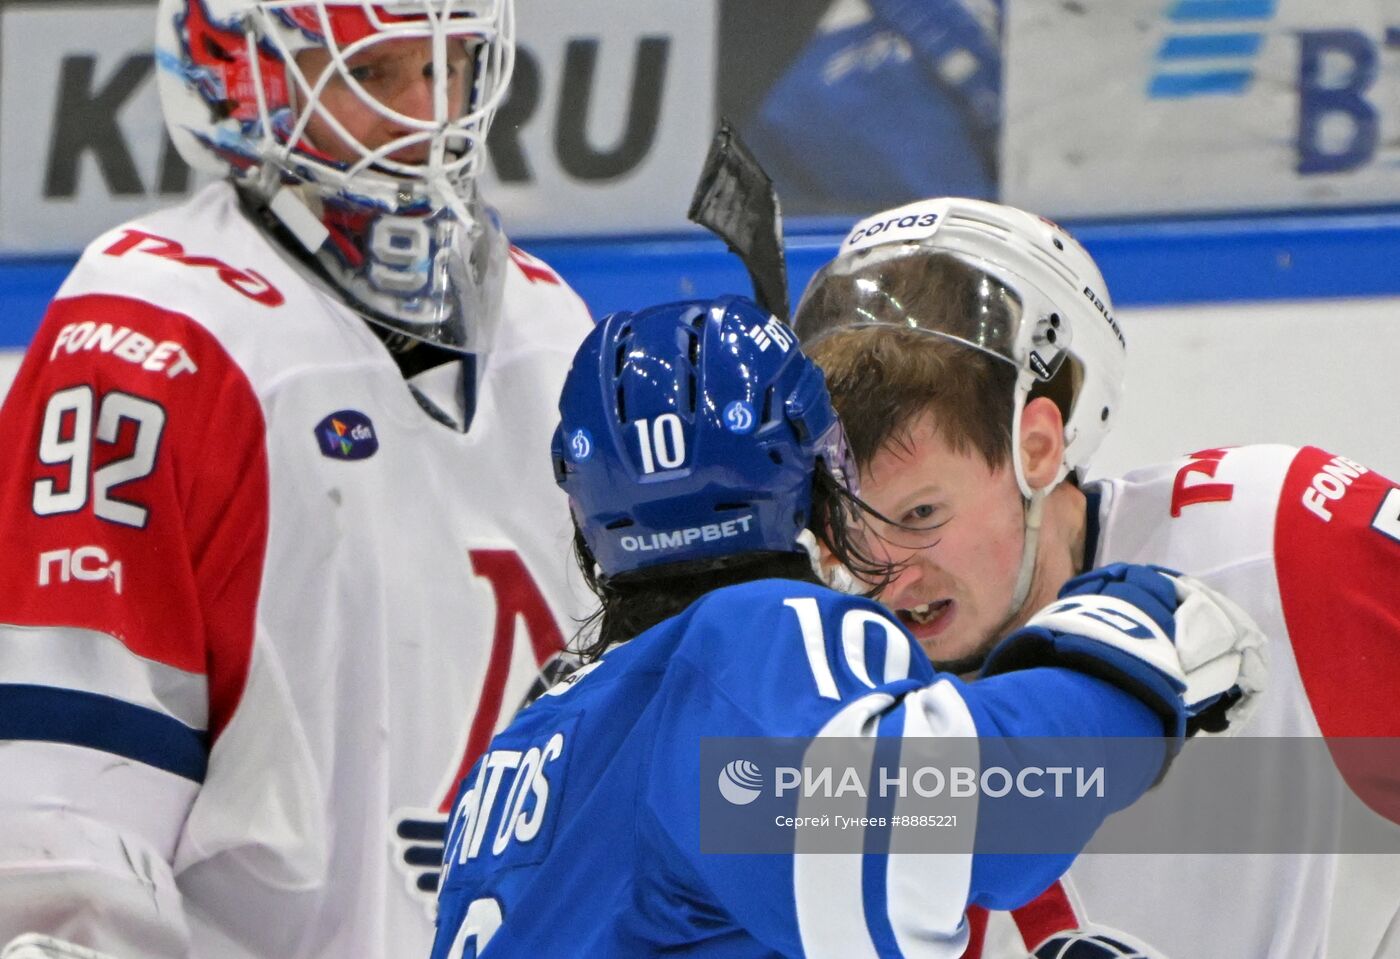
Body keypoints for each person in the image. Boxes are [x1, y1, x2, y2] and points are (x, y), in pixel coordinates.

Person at [0, 1, 592, 956]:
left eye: (452, 65)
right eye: (378, 70)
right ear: (245, 74)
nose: (427, 115)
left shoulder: (555, 331)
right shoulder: (151, 337)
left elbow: (657, 778)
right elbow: (63, 827)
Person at [428, 294, 1264, 958]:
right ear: (817, 477)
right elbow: (964, 821)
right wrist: (1122, 660)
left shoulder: (521, 755)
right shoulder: (743, 646)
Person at [792, 196, 1400, 958]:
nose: (884, 575)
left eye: (919, 514)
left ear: (1037, 448)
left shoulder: (1283, 543)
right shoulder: (842, 714)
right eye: (849, 529)